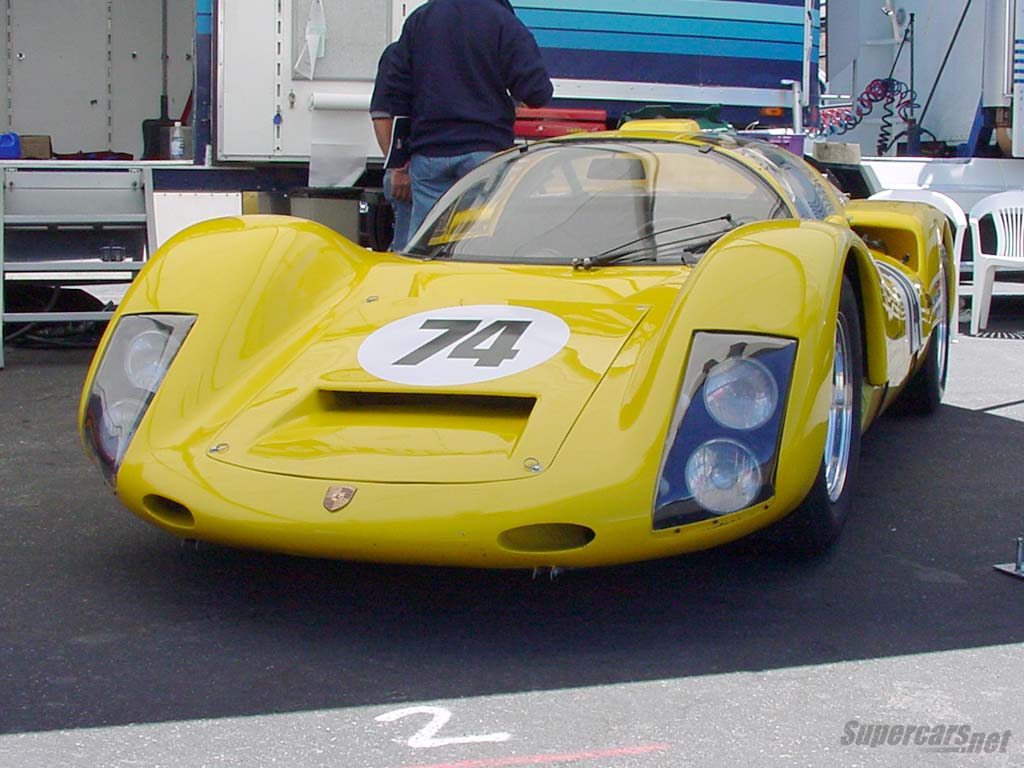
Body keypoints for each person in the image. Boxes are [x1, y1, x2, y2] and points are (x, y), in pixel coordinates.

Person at [382, 0, 553, 238]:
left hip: (429, 154)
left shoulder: (420, 19)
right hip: (485, 154)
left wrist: (398, 162)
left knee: (426, 246)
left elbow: (396, 92)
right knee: (478, 245)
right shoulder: (503, 21)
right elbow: (537, 92)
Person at [369, 43, 413, 251]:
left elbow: (381, 114)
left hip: (413, 168)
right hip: (410, 169)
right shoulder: (402, 53)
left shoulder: (398, 52)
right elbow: (382, 116)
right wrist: (397, 168)